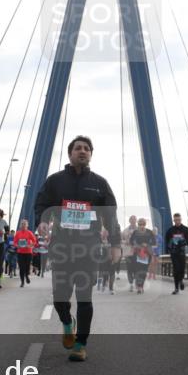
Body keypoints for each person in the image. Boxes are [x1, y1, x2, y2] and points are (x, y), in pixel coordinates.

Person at [34, 135, 121, 362]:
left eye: (86, 149)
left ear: (90, 154)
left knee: (84, 297)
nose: (82, 151)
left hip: (88, 248)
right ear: (70, 153)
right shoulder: (55, 181)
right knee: (60, 297)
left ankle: (81, 344)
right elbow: (41, 204)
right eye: (78, 148)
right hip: (62, 247)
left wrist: (115, 245)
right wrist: (42, 220)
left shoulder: (100, 184)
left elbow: (111, 217)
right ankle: (66, 321)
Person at [165, 213, 188, 294]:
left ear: (181, 219)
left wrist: (183, 242)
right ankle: (176, 288)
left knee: (182, 269)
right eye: (176, 220)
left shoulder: (186, 229)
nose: (177, 221)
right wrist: (170, 246)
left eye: (179, 220)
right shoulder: (170, 230)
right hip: (173, 253)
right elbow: (167, 241)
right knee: (176, 269)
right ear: (174, 220)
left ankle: (181, 280)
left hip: (182, 252)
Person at [129, 218, 155, 294]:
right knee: (137, 270)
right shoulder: (135, 232)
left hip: (147, 254)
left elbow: (154, 242)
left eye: (143, 224)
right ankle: (138, 284)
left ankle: (141, 287)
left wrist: (147, 244)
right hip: (137, 254)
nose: (141, 226)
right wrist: (136, 245)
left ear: (145, 224)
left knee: (144, 271)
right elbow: (131, 241)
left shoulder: (149, 232)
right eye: (140, 224)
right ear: (138, 225)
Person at [13, 219, 37, 287]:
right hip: (20, 252)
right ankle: (22, 282)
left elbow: (35, 241)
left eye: (24, 224)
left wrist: (30, 245)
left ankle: (26, 276)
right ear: (20, 225)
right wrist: (17, 245)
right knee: (21, 267)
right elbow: (14, 242)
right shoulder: (18, 233)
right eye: (22, 224)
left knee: (27, 267)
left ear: (27, 225)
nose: (23, 225)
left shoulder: (29, 233)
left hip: (28, 252)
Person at [121, 215, 138, 291]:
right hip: (128, 252)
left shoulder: (140, 230)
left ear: (136, 221)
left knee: (136, 268)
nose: (133, 221)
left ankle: (136, 282)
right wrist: (126, 242)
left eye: (134, 220)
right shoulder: (125, 231)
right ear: (129, 221)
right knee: (129, 268)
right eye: (132, 220)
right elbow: (121, 241)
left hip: (137, 252)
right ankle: (131, 284)